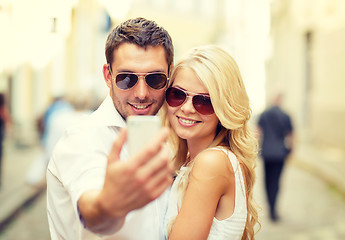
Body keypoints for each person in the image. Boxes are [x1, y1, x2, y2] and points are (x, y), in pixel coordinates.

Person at [46, 17, 174, 240]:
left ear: (169, 75)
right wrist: (110, 205)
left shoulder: (175, 137)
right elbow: (93, 211)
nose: (141, 93)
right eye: (126, 78)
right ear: (108, 76)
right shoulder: (82, 138)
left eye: (155, 79)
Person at [162, 45, 260, 240]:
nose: (187, 108)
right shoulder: (196, 159)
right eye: (177, 95)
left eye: (204, 101)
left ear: (224, 107)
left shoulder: (211, 163)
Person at [257, 92, 293, 221]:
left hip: (267, 153)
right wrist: (290, 150)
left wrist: (257, 148)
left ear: (273, 99)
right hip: (279, 153)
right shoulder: (286, 115)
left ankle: (270, 206)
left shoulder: (264, 114)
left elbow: (257, 133)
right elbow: (291, 135)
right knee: (276, 181)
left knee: (267, 180)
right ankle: (273, 208)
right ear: (281, 100)